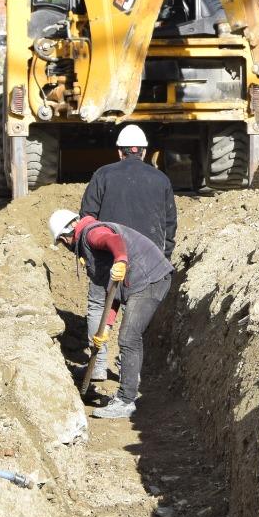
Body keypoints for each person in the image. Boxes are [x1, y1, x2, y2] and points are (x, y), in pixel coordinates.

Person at [50, 208, 173, 420]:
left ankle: (126, 400)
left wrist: (121, 260)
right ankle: (127, 393)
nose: (65, 246)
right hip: (141, 281)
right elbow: (113, 293)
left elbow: (113, 240)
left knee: (128, 337)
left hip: (149, 279)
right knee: (126, 336)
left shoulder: (90, 233)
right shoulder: (88, 239)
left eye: (62, 242)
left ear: (65, 235)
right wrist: (105, 328)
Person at [78, 124, 177, 383]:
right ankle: (128, 368)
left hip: (107, 260)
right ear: (143, 152)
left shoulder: (103, 175)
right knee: (135, 320)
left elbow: (87, 218)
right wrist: (162, 257)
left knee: (100, 304)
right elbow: (169, 225)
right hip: (147, 264)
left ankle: (98, 364)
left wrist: (90, 253)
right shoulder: (161, 179)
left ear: (120, 152)